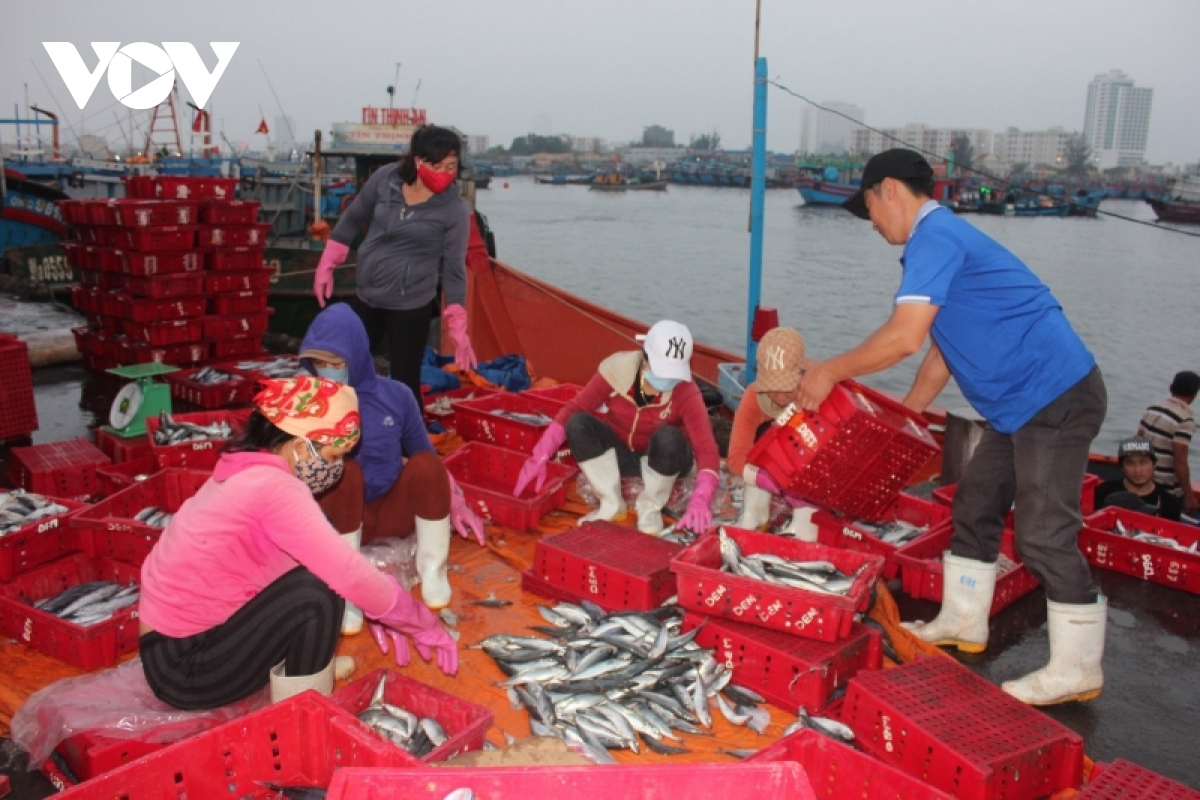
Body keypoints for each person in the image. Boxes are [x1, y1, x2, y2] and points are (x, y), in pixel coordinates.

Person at [797, 149, 1107, 707]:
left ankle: (1077, 667)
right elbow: (942, 346)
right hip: (1019, 409)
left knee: (1042, 533)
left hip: (1055, 396)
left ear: (888, 189)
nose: (870, 222)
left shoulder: (934, 238)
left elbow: (904, 337)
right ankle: (965, 622)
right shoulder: (943, 239)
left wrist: (829, 371)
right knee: (975, 503)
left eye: (866, 204)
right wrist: (908, 413)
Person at [138, 376, 457, 711]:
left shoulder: (247, 468)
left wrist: (381, 607)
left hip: (183, 642)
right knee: (319, 593)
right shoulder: (273, 488)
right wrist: (418, 622)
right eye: (334, 456)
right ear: (301, 447)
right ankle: (301, 714)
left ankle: (303, 674)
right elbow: (347, 572)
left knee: (322, 572)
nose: (337, 468)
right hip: (184, 667)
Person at [299, 303, 485, 614]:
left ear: (356, 355)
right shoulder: (306, 404)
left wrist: (454, 498)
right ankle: (347, 587)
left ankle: (432, 571)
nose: (326, 370)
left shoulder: (396, 396)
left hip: (387, 512)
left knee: (426, 465)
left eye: (334, 362)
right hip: (335, 523)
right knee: (346, 471)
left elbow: (425, 455)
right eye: (318, 363)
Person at [312, 125, 478, 404]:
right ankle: (340, 431)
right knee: (344, 367)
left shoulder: (455, 211)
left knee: (404, 381)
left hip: (411, 305)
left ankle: (409, 443)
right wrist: (329, 260)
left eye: (451, 166)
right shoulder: (385, 178)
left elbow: (453, 269)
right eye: (436, 166)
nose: (444, 174)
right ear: (418, 161)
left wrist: (457, 319)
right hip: (367, 296)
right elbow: (354, 218)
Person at [512, 320, 720, 535]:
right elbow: (574, 409)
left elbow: (706, 447)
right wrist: (540, 454)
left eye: (674, 373)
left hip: (663, 461)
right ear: (645, 358)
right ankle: (612, 504)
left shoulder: (686, 391)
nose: (669, 379)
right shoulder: (617, 370)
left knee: (669, 437)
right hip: (622, 456)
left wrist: (701, 497)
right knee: (578, 423)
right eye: (663, 370)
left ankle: (650, 509)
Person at [727, 326, 818, 537]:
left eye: (787, 385)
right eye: (773, 386)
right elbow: (735, 457)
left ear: (802, 373)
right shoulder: (753, 397)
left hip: (806, 467)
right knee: (766, 435)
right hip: (773, 470)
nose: (780, 395)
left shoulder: (816, 392)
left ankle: (806, 519)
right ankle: (755, 512)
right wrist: (763, 476)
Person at [1137, 371, 1199, 517]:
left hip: (1144, 481)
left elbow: (1138, 443)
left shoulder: (1152, 409)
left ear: (1171, 388)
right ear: (1194, 395)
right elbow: (1180, 461)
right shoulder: (1185, 420)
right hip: (1167, 490)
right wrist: (1189, 496)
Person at [1094, 437, 1182, 521]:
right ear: (1122, 467)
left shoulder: (1169, 503)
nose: (1137, 470)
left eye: (1143, 463)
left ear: (1154, 464)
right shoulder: (1103, 493)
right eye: (1130, 463)